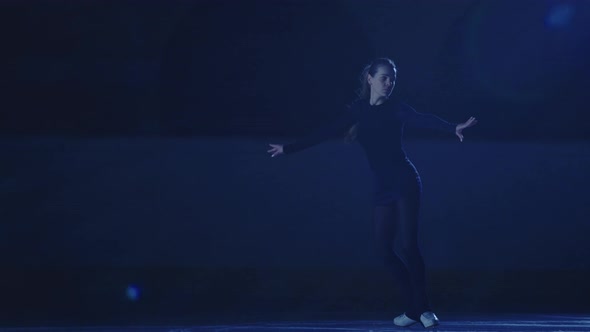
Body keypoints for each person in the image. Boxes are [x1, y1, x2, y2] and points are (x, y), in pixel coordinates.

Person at [267, 58, 477, 328]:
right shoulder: (357, 110)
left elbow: (421, 119)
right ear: (370, 79)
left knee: (409, 246)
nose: (389, 83)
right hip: (382, 187)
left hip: (405, 181)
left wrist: (452, 128)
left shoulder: (397, 109)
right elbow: (327, 131)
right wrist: (289, 148)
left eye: (392, 78)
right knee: (383, 250)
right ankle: (414, 309)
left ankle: (423, 309)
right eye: (384, 77)